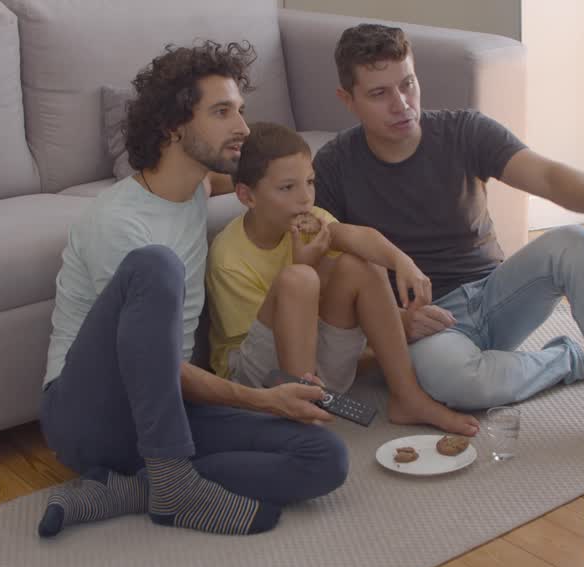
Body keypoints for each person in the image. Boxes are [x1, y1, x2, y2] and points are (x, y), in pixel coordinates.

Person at [313, 24, 584, 441]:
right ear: (348, 100)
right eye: (379, 93)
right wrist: (394, 321)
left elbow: (543, 173)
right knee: (455, 382)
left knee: (575, 242)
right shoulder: (333, 165)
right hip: (427, 325)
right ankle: (574, 359)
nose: (402, 104)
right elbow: (330, 277)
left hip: (499, 294)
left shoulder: (463, 131)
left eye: (408, 84)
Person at [38, 41, 348, 539]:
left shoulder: (196, 189)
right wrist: (261, 400)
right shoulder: (117, 221)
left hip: (168, 412)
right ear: (173, 126)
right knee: (157, 266)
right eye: (222, 112)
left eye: (241, 111)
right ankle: (171, 479)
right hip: (92, 412)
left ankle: (145, 488)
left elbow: (251, 183)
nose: (243, 128)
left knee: (325, 457)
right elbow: (139, 362)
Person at [205, 121, 479, 437]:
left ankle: (408, 397)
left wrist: (402, 262)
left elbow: (357, 237)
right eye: (287, 188)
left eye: (310, 182)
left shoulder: (313, 219)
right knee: (300, 279)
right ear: (247, 196)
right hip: (258, 382)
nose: (305, 198)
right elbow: (264, 338)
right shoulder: (229, 256)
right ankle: (301, 420)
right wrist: (303, 265)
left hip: (319, 369)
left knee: (363, 265)